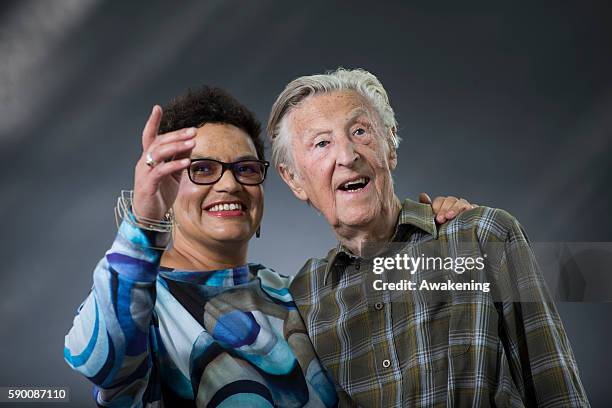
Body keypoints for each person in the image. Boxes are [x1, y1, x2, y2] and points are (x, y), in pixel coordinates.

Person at [64, 85, 472, 407]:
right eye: (202, 169)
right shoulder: (144, 300)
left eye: (245, 169)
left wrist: (421, 231)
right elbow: (99, 358)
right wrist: (144, 223)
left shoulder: (294, 294)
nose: (229, 184)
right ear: (167, 187)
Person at [268, 68, 590, 407]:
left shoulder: (481, 238)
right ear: (294, 179)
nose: (347, 156)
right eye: (322, 143)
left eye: (360, 132)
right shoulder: (300, 301)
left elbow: (556, 390)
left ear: (390, 146)